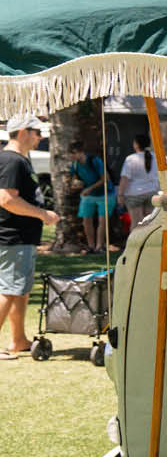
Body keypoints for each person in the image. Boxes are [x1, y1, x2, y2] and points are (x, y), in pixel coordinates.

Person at [0, 116, 59, 360]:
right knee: (8, 290)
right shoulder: (12, 160)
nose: (41, 137)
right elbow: (6, 199)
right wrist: (43, 214)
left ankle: (18, 340)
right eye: (37, 132)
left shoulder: (19, 159)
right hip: (13, 236)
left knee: (19, 289)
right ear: (23, 132)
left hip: (20, 237)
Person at [68, 141, 116, 252]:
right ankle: (91, 246)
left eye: (74, 153)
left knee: (102, 221)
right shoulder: (75, 164)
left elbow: (105, 178)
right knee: (86, 220)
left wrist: (89, 188)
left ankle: (100, 246)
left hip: (105, 194)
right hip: (88, 195)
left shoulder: (94, 160)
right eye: (71, 153)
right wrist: (76, 184)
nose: (72, 156)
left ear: (81, 152)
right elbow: (75, 178)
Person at [118, 134, 160, 227]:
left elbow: (125, 179)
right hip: (152, 192)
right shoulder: (156, 157)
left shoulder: (130, 159)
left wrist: (120, 194)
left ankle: (134, 241)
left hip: (134, 194)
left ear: (136, 144)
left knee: (136, 224)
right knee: (149, 224)